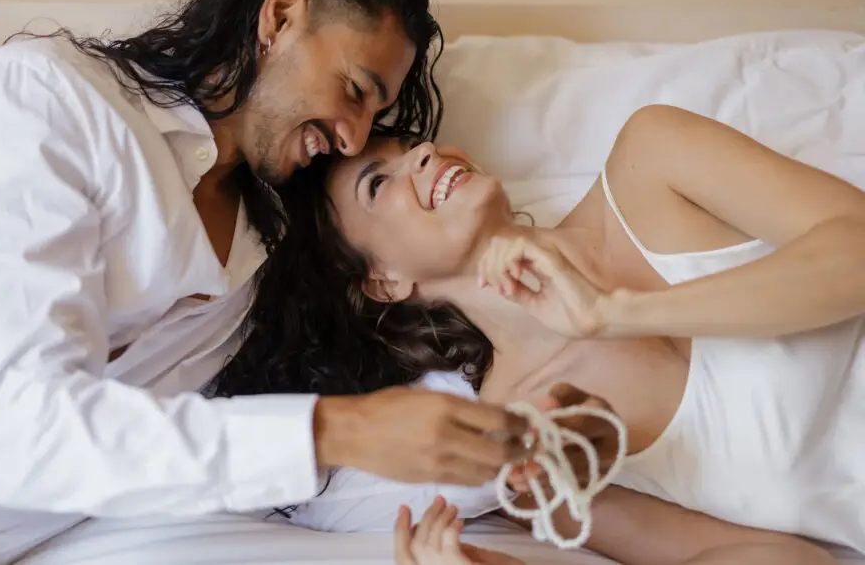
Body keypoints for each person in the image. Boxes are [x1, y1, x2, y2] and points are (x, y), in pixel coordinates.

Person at [0, 0, 538, 565]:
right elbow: (27, 436)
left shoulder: (265, 267)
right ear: (281, 14)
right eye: (355, 89)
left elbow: (320, 486)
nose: (355, 135)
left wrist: (511, 451)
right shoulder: (48, 105)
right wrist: (334, 427)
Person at [213, 103, 865, 564]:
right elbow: (782, 558)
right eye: (379, 184)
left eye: (411, 143)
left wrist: (614, 314)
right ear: (382, 278)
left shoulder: (652, 158)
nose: (423, 153)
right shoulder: (531, 437)